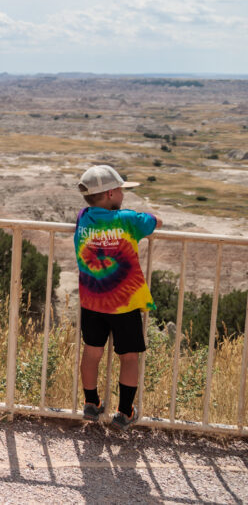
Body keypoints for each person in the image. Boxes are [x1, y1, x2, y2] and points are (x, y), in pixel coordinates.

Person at [74, 164, 161, 430]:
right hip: (124, 305)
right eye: (121, 191)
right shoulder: (127, 219)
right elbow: (153, 221)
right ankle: (125, 412)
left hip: (92, 302)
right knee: (129, 357)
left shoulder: (83, 217)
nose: (123, 195)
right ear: (111, 193)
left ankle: (91, 403)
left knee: (92, 352)